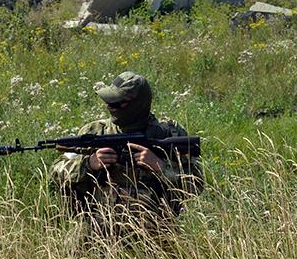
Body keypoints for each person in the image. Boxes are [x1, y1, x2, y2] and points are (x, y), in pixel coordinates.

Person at [50, 71, 202, 236]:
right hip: (98, 235)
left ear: (138, 104)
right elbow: (56, 173)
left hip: (155, 236)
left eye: (118, 103)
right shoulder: (95, 132)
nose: (110, 107)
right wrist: (88, 164)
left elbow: (197, 184)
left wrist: (161, 168)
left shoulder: (169, 135)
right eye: (109, 102)